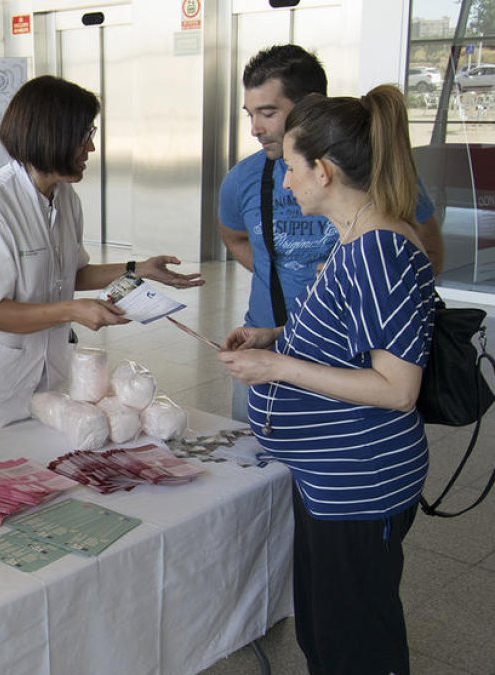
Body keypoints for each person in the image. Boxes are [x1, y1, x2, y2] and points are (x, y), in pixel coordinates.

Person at [219, 85, 434, 675]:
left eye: (291, 169)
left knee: (354, 643)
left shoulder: (376, 249)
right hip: (329, 480)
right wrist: (276, 337)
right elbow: (349, 337)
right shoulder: (355, 237)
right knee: (325, 628)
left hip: (359, 484)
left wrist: (280, 368)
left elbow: (397, 387)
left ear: (326, 171)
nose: (285, 183)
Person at [0, 76, 203, 443]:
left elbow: (72, 272)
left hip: (38, 376)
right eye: (84, 133)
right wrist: (71, 310)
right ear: (53, 136)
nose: (91, 146)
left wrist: (139, 269)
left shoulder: (65, 198)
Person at [218, 44, 443, 421]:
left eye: (268, 112)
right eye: (250, 114)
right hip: (276, 344)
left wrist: (352, 294)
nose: (255, 128)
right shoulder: (242, 179)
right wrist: (281, 330)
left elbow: (397, 389)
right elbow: (233, 236)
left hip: (350, 372)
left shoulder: (375, 242)